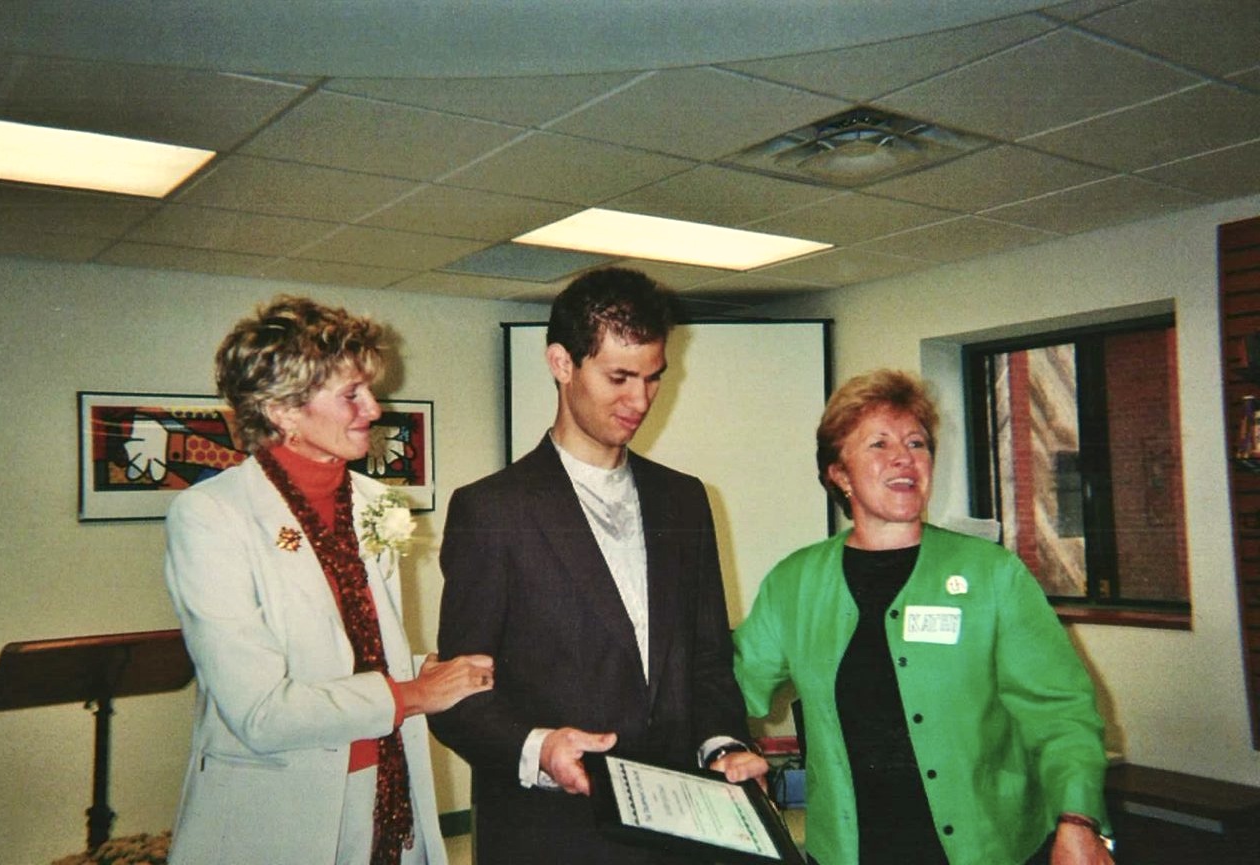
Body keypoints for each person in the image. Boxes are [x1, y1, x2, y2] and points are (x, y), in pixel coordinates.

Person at [427, 267, 769, 865]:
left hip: (681, 831)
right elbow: (458, 695)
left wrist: (723, 746)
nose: (640, 401)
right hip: (551, 834)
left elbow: (709, 662)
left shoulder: (685, 499)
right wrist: (539, 748)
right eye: (619, 377)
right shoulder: (492, 510)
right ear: (562, 363)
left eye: (653, 378)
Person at [732, 369, 1114, 865]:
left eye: (917, 443)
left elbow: (1060, 714)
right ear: (839, 474)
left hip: (985, 850)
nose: (903, 457)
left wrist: (1077, 820)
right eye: (878, 444)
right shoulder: (795, 583)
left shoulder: (992, 576)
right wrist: (723, 747)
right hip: (851, 853)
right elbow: (731, 683)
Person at [163, 295, 494, 865]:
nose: (372, 409)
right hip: (280, 807)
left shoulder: (375, 502)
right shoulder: (212, 516)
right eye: (351, 395)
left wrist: (427, 669)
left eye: (369, 391)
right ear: (284, 411)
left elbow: (358, 652)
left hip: (387, 789)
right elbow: (260, 713)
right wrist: (414, 694)